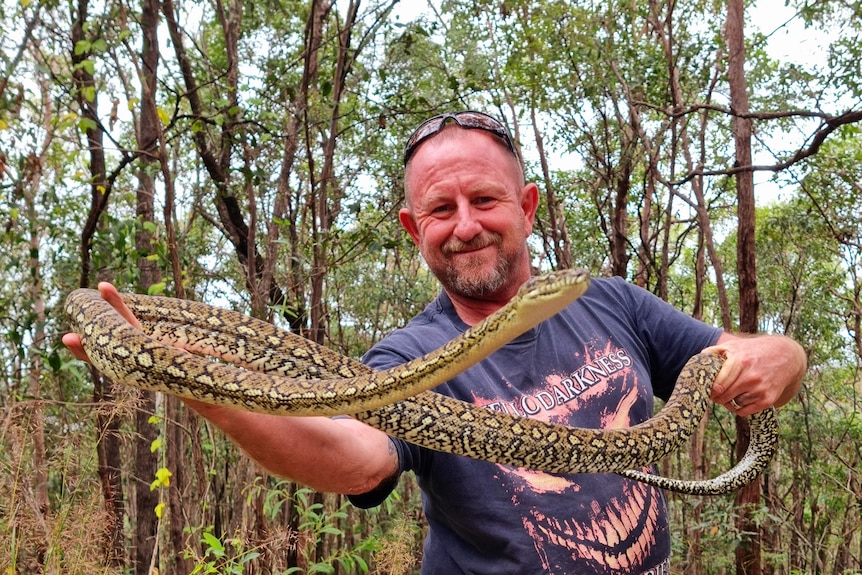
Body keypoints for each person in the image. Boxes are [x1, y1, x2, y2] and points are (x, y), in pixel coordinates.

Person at [64, 110, 806, 574]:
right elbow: (354, 459)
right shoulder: (404, 360)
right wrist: (204, 386)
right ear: (415, 230)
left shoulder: (606, 299)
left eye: (484, 199)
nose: (466, 223)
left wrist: (782, 354)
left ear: (526, 206)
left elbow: (737, 352)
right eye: (440, 209)